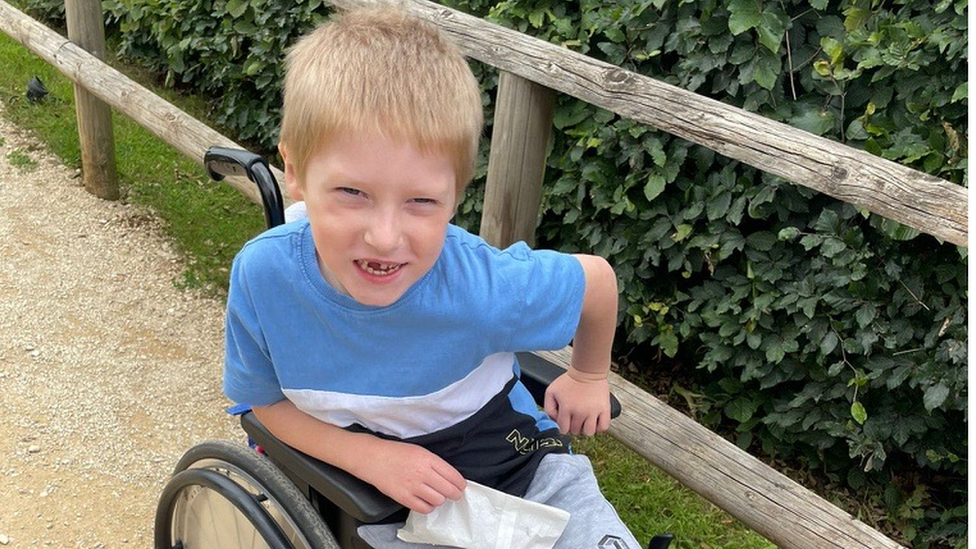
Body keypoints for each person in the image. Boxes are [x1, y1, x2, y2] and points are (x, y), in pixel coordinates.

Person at [223, 5, 641, 549]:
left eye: (421, 201)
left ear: (455, 196)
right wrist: (372, 459)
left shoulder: (482, 287)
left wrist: (588, 376)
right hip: (367, 491)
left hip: (516, 467)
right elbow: (263, 402)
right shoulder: (264, 276)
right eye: (353, 193)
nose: (385, 237)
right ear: (295, 171)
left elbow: (597, 281)